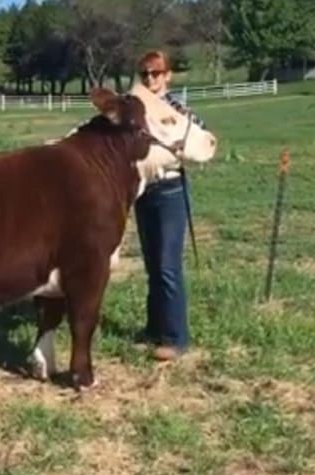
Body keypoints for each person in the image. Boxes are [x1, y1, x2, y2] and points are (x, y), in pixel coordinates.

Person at [133, 50, 207, 361]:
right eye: (145, 74)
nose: (150, 78)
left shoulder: (177, 109)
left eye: (156, 73)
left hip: (170, 190)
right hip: (143, 190)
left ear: (168, 75)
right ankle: (154, 329)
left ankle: (176, 338)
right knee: (152, 265)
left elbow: (199, 133)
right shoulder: (137, 110)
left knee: (166, 265)